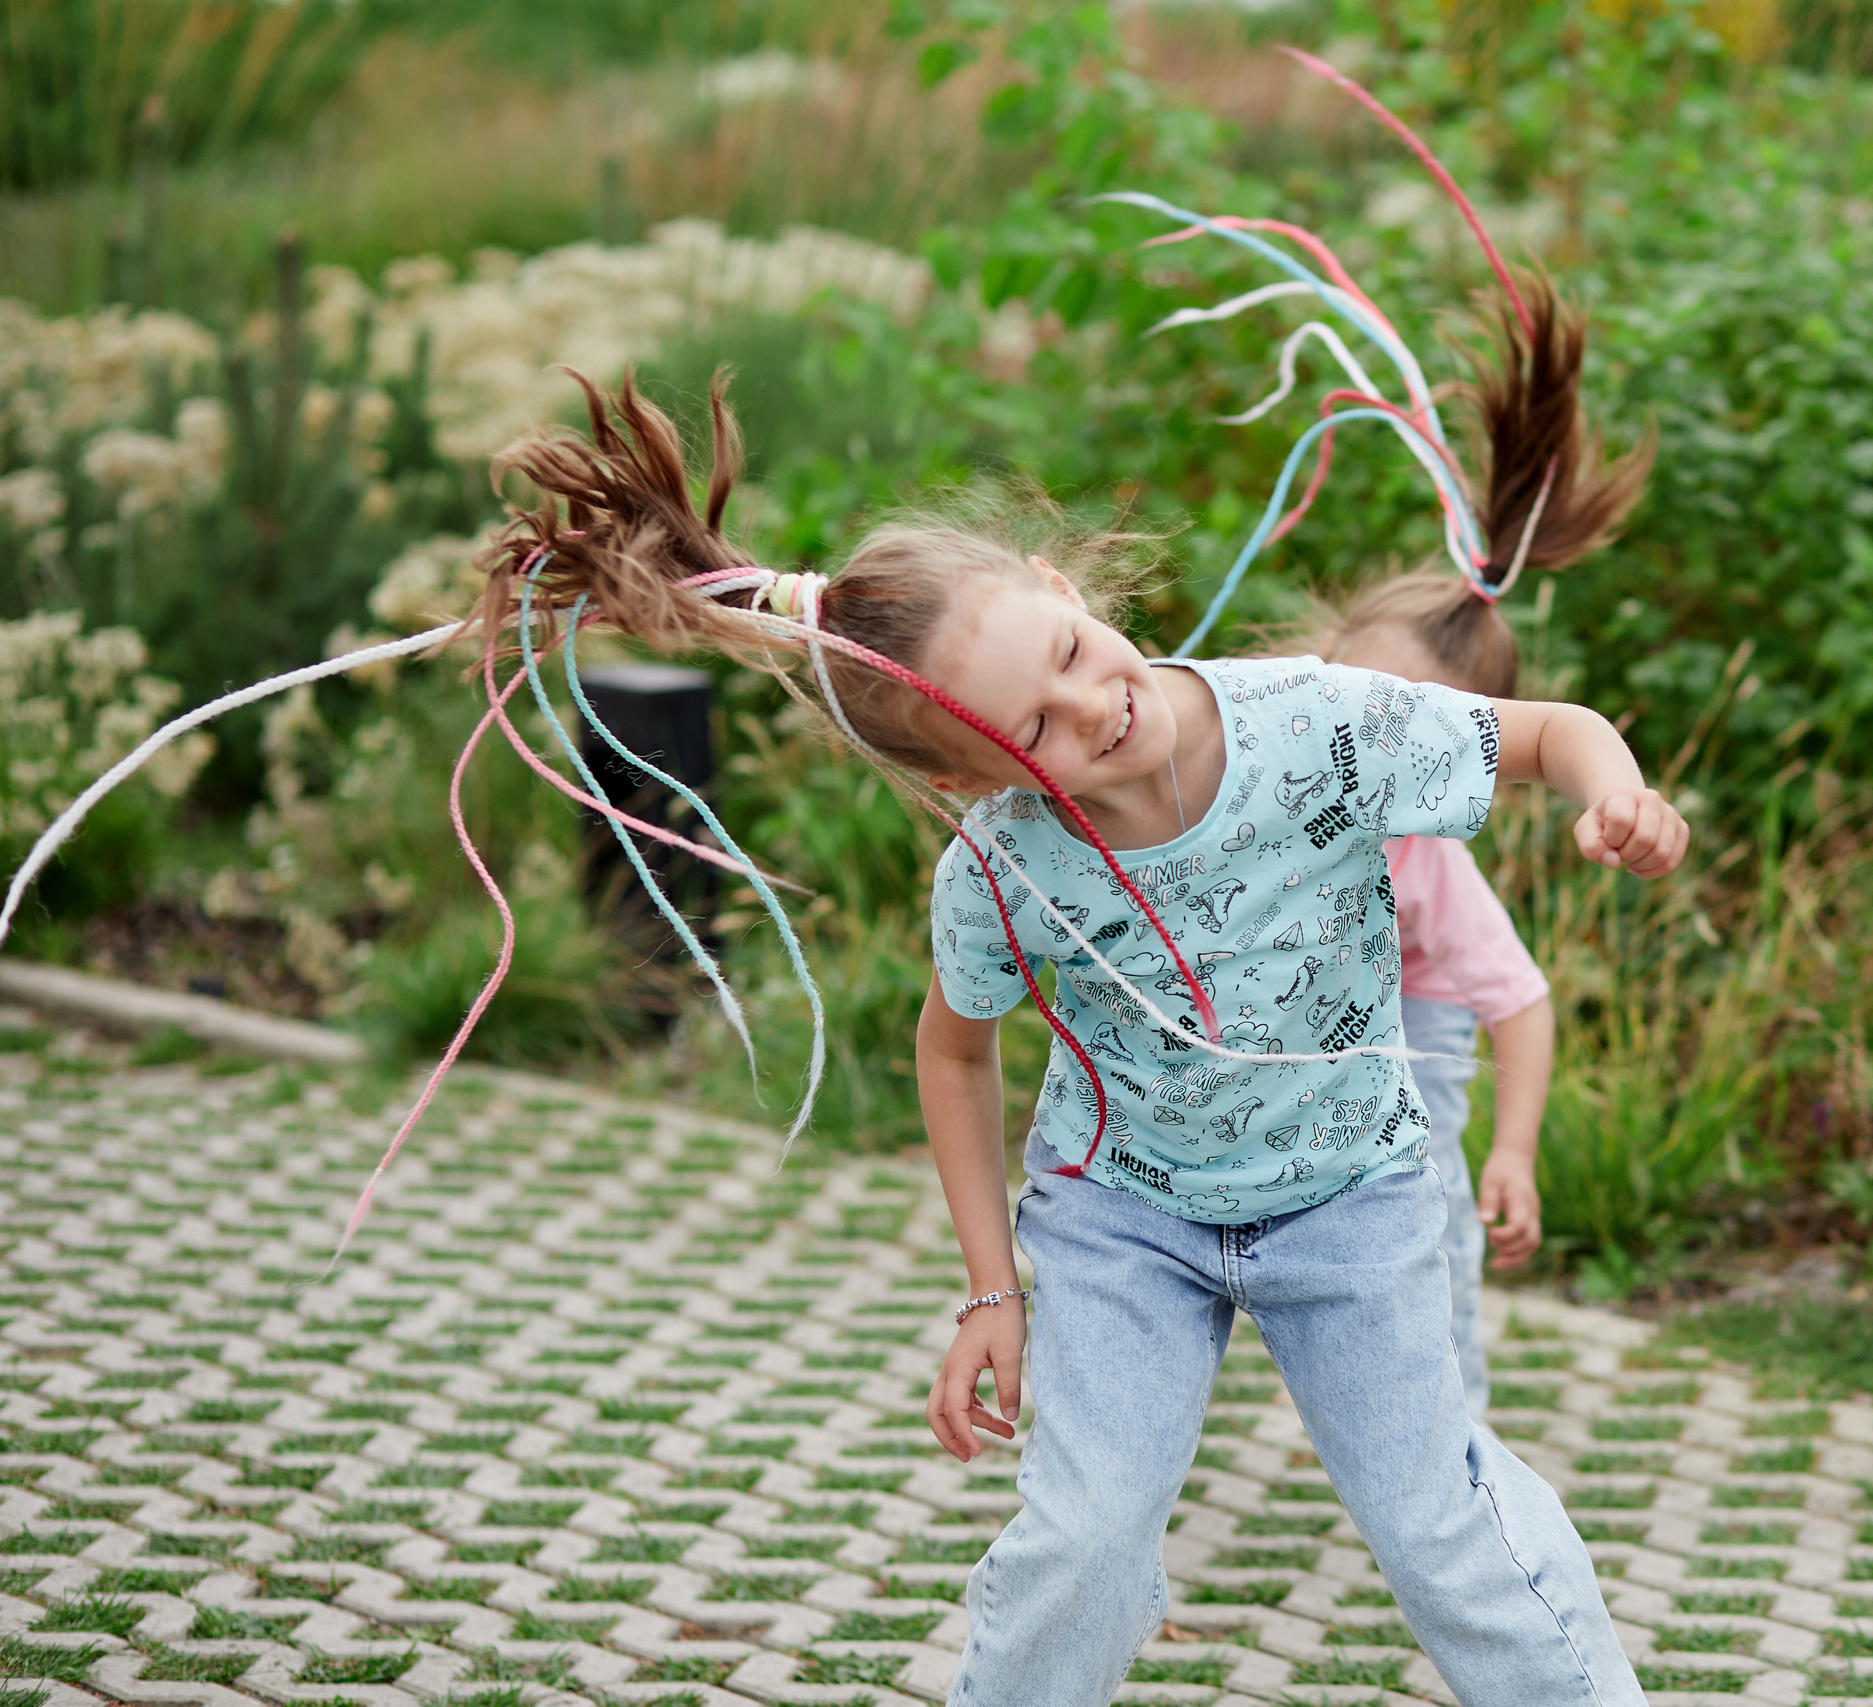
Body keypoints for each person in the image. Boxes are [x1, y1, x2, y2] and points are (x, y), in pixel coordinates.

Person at [484, 299, 1669, 1704]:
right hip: (1130, 1227)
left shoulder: (1317, 723)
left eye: (1065, 656)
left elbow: (1544, 733)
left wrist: (1617, 795)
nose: (1084, 711)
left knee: (1442, 1524)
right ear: (980, 780)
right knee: (1087, 1537)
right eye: (1027, 732)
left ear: (1068, 584)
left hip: (1351, 1199)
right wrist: (992, 1283)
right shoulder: (1003, 866)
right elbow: (955, 1052)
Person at [1318, 570, 1557, 1420]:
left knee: (1425, 1199)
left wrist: (1514, 1153)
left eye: (1409, 724)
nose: (1368, 733)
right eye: (1356, 694)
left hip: (1415, 1001)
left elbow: (1518, 1001)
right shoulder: (1258, 744)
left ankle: (1458, 1445)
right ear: (1324, 663)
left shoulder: (1424, 853)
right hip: (1301, 998)